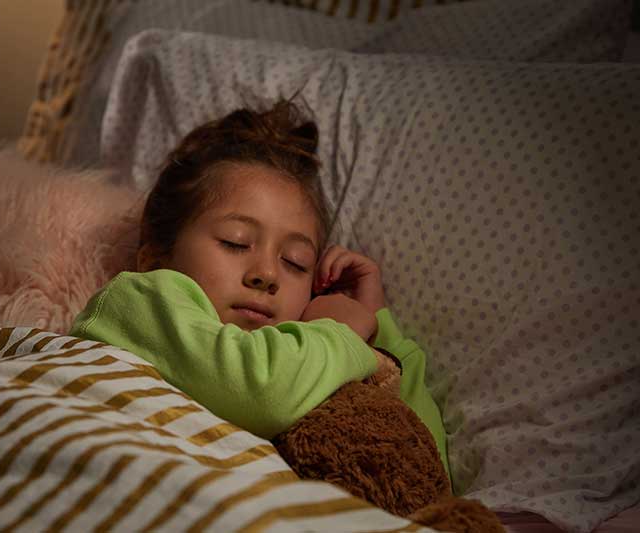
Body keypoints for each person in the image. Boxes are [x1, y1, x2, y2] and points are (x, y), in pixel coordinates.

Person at [70, 99, 449, 476]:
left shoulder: (307, 364)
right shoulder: (138, 300)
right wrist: (340, 330)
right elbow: (259, 388)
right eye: (235, 242)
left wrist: (379, 333)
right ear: (156, 257)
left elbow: (421, 462)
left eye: (295, 262)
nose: (267, 273)